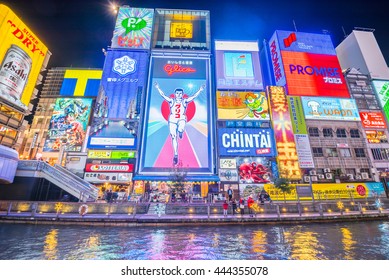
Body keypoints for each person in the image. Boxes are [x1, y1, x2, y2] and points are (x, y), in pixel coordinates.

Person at [154, 82, 205, 165]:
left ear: (182, 94)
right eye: (177, 93)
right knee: (174, 137)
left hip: (181, 119)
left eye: (180, 93)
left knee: (181, 128)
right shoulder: (171, 101)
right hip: (173, 120)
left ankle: (181, 131)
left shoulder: (184, 101)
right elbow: (163, 95)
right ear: (175, 94)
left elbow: (193, 97)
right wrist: (157, 88)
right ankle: (176, 154)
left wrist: (200, 90)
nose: (178, 95)